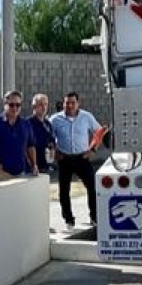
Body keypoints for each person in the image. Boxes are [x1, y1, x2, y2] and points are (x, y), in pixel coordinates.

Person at [50, 90, 104, 229]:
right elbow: (48, 137)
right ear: (63, 104)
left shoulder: (86, 117)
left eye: (73, 102)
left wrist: (93, 150)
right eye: (67, 103)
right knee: (64, 191)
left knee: (92, 187)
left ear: (78, 103)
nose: (70, 105)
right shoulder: (55, 119)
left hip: (82, 157)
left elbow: (99, 131)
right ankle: (69, 220)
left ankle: (94, 217)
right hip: (65, 158)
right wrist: (55, 152)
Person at [0, 90, 36, 178]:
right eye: (11, 105)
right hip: (1, 173)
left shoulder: (26, 124)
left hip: (21, 173)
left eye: (18, 105)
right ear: (5, 105)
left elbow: (30, 146)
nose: (15, 108)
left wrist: (34, 165)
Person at [28, 93, 56, 177]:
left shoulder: (48, 123)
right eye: (40, 105)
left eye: (45, 104)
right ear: (34, 106)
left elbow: (51, 140)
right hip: (32, 167)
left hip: (46, 166)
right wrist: (32, 165)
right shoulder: (27, 123)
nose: (44, 107)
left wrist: (52, 148)